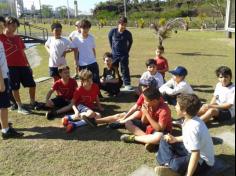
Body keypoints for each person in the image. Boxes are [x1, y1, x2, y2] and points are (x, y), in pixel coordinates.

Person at [155, 94, 215, 176]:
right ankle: (168, 164)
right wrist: (175, 139)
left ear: (184, 111)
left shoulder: (193, 127)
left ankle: (168, 164)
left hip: (202, 162)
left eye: (177, 105)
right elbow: (187, 137)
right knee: (164, 138)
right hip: (189, 150)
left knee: (176, 165)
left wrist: (188, 175)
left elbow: (195, 154)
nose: (175, 106)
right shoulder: (190, 119)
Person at [0, 16, 39, 115]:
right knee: (15, 87)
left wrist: (28, 65)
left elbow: (22, 52)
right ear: (6, 25)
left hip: (23, 65)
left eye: (16, 26)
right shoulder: (1, 37)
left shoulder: (18, 38)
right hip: (10, 67)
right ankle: (19, 106)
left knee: (32, 84)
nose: (14, 28)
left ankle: (32, 102)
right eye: (12, 25)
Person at [120, 88, 172, 152]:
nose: (144, 101)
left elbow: (160, 129)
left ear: (155, 101)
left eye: (145, 100)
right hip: (149, 127)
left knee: (159, 137)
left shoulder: (164, 110)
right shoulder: (149, 104)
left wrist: (147, 114)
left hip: (160, 131)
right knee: (128, 123)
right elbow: (143, 122)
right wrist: (145, 113)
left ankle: (134, 138)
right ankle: (147, 140)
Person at [0, 16, 24, 139]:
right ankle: (6, 131)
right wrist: (1, 81)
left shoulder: (1, 39)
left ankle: (3, 124)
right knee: (3, 105)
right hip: (1, 78)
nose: (2, 28)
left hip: (4, 75)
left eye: (2, 25)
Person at [70, 19, 100, 85]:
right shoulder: (76, 39)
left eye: (87, 28)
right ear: (80, 28)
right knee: (85, 81)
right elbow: (75, 51)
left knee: (96, 80)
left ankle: (98, 94)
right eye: (84, 28)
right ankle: (87, 95)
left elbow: (93, 49)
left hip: (93, 62)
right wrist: (76, 62)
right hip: (82, 64)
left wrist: (94, 58)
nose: (86, 30)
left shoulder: (91, 37)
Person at [108, 16, 133, 90]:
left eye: (125, 25)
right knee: (113, 69)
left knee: (125, 69)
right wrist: (113, 50)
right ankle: (115, 83)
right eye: (122, 24)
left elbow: (130, 42)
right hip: (114, 55)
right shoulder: (112, 31)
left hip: (124, 55)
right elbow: (110, 41)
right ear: (118, 24)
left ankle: (127, 84)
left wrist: (127, 51)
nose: (123, 26)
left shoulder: (128, 33)